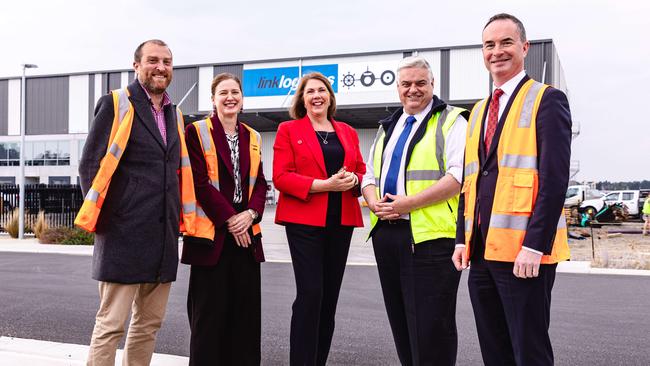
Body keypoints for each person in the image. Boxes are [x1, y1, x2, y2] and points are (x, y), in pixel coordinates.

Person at [452, 13, 572, 366]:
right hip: (483, 253)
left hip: (524, 255)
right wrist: (462, 238)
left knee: (529, 350)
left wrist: (535, 246)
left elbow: (554, 182)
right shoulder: (476, 112)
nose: (497, 51)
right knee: (495, 351)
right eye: (489, 45)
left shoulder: (546, 99)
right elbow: (469, 181)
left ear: (524, 47)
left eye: (506, 43)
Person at [79, 39, 194, 366]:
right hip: (122, 234)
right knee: (111, 324)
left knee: (148, 325)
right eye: (153, 60)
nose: (161, 67)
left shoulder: (175, 114)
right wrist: (108, 221)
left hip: (163, 237)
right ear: (136, 65)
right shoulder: (116, 103)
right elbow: (90, 165)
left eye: (167, 62)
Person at [361, 55, 468, 366]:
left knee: (432, 329)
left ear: (432, 84)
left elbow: (458, 177)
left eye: (420, 83)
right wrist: (372, 201)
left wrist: (407, 204)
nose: (413, 89)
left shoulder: (452, 121)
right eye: (406, 84)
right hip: (388, 235)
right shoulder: (388, 126)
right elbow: (369, 175)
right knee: (402, 325)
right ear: (398, 88)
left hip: (431, 239)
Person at [273, 72, 366, 365]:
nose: (316, 95)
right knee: (311, 294)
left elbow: (362, 171)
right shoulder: (288, 129)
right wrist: (324, 185)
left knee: (328, 300)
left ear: (330, 96)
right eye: (310, 91)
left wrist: (353, 178)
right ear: (302, 98)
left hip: (341, 222)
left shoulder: (348, 131)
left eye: (322, 90)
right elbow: (281, 177)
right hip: (304, 222)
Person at [182, 73, 267, 365]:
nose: (230, 97)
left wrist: (251, 214)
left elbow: (260, 184)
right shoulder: (196, 131)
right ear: (213, 99)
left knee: (245, 320)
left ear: (242, 98)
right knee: (208, 320)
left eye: (235, 92)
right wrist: (232, 221)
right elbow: (200, 183)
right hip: (211, 238)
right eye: (223, 93)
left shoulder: (252, 136)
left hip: (246, 239)